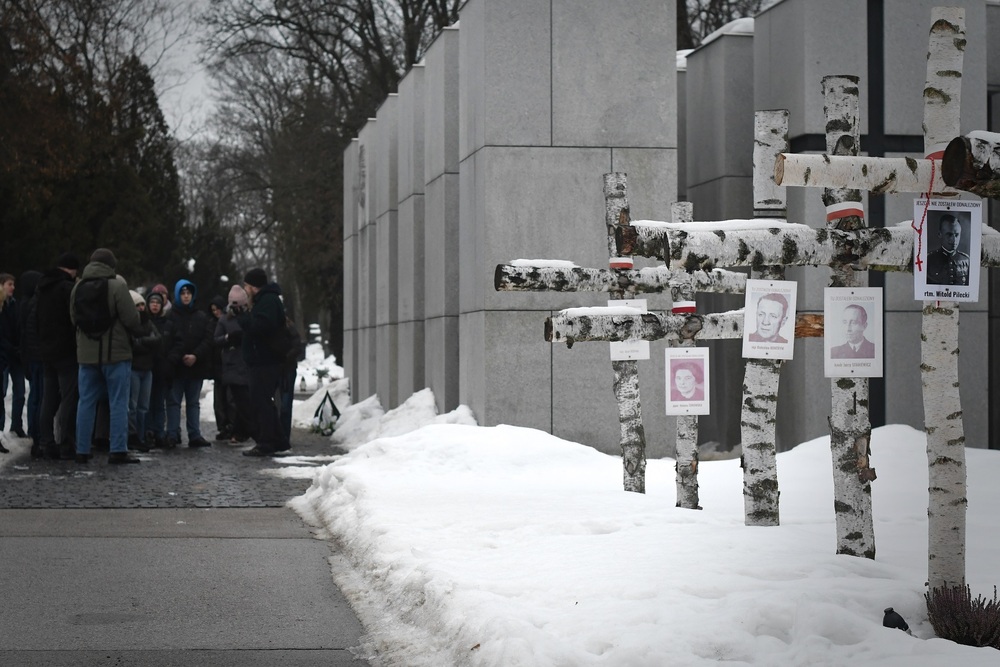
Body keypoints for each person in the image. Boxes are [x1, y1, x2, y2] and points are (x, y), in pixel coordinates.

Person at [71, 248, 143, 464]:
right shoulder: (118, 285)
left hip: (86, 355)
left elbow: (73, 318)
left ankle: (82, 450)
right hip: (116, 354)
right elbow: (132, 320)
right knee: (118, 402)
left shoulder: (78, 286)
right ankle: (118, 450)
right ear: (112, 265)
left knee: (86, 402)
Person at [237, 268, 291, 457]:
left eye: (246, 285)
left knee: (261, 402)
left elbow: (260, 327)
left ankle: (267, 442)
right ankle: (278, 440)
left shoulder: (267, 301)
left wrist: (242, 318)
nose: (245, 289)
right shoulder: (265, 300)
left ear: (253, 286)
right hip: (262, 360)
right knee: (263, 401)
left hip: (265, 361)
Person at [36, 252, 80, 460]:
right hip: (65, 351)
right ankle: (66, 442)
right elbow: (73, 318)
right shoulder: (67, 288)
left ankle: (46, 442)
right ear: (72, 270)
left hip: (46, 350)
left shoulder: (42, 287)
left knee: (49, 398)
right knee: (69, 398)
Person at [164, 279, 212, 448]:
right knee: (173, 402)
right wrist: (178, 356)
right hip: (176, 367)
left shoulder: (201, 316)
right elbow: (167, 339)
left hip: (195, 366)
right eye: (183, 293)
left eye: (188, 293)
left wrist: (195, 355)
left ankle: (194, 434)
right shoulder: (170, 316)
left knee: (193, 402)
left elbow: (207, 339)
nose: (186, 296)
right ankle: (172, 433)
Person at [214, 285, 253, 443]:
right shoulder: (224, 319)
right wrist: (228, 338)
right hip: (232, 365)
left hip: (247, 364)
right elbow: (216, 340)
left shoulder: (249, 317)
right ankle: (238, 430)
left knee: (244, 401)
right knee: (236, 400)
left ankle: (241, 430)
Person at [127, 290, 161, 452]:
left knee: (143, 407)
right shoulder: (129, 323)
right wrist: (146, 343)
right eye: (137, 305)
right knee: (132, 406)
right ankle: (132, 436)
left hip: (147, 369)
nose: (141, 308)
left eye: (142, 304)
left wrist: (142, 342)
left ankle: (140, 437)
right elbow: (132, 344)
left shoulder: (148, 322)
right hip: (134, 368)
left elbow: (158, 339)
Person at [17, 270, 44, 455]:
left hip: (28, 356)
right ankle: (37, 433)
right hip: (37, 355)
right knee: (39, 396)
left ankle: (35, 432)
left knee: (35, 394)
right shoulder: (33, 304)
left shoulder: (21, 304)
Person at [0, 272, 26, 439]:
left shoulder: (15, 305)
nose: (13, 288)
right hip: (4, 354)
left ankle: (17, 424)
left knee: (20, 391)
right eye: (9, 284)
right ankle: (1, 428)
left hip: (15, 355)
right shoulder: (2, 306)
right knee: (1, 393)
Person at [208, 295, 231, 440]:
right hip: (217, 365)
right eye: (213, 310)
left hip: (228, 365)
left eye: (217, 310)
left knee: (230, 399)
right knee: (219, 400)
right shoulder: (212, 324)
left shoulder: (227, 322)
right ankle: (223, 426)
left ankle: (231, 425)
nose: (216, 313)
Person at [926, 214, 971, 286]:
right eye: (949, 235)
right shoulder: (928, 260)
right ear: (940, 234)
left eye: (956, 235)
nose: (954, 240)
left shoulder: (966, 260)